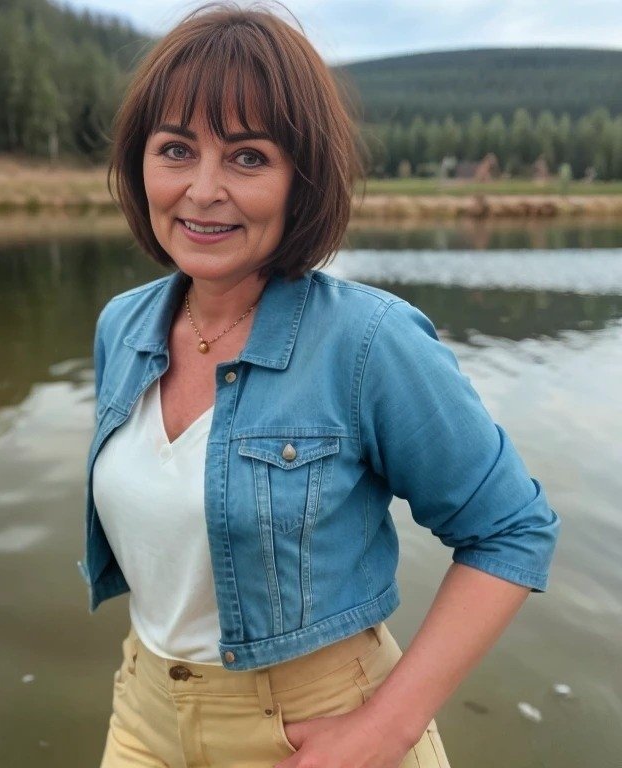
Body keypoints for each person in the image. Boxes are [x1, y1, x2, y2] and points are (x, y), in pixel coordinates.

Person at [77, 3, 561, 766]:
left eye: (248, 157)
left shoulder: (368, 342)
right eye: (176, 150)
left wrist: (387, 728)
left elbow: (511, 529)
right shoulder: (122, 325)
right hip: (143, 715)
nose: (202, 189)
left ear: (301, 181)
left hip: (320, 726)